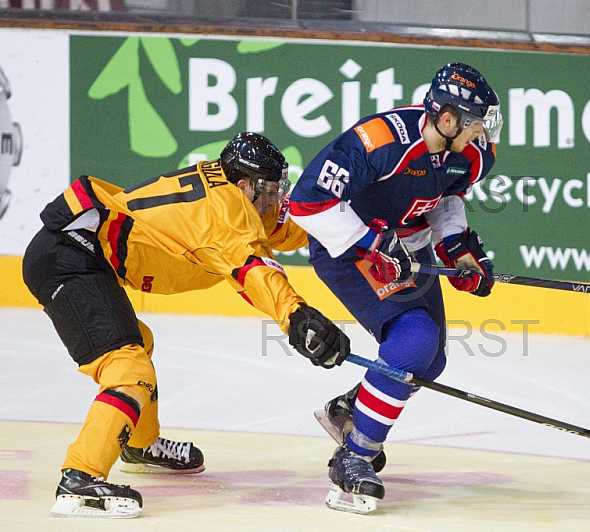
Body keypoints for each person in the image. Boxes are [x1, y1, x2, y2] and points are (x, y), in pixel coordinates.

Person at [22, 132, 350, 519]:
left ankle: (139, 445)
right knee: (129, 369)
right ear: (245, 184)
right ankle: (80, 478)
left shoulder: (229, 193)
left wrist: (338, 227)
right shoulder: (227, 213)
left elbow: (273, 229)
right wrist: (297, 316)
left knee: (137, 343)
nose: (277, 199)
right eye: (271, 190)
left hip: (82, 251)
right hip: (69, 256)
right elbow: (253, 268)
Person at [288, 62, 502, 514]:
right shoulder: (379, 142)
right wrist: (373, 240)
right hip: (352, 249)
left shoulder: (469, 155)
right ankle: (355, 456)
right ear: (447, 119)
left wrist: (457, 249)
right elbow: (306, 203)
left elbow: (445, 198)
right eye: (476, 122)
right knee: (414, 340)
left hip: (407, 248)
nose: (481, 132)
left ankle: (352, 409)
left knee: (430, 360)